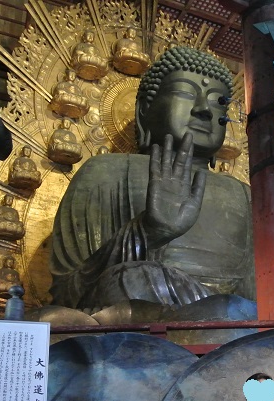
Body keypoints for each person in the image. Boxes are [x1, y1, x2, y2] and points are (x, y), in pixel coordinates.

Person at [49, 46, 254, 310]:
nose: (204, 110)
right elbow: (68, 294)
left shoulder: (245, 195)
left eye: (218, 102)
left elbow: (261, 293)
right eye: (186, 93)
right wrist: (147, 232)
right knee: (135, 280)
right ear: (144, 109)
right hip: (140, 306)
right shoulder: (105, 172)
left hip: (231, 316)